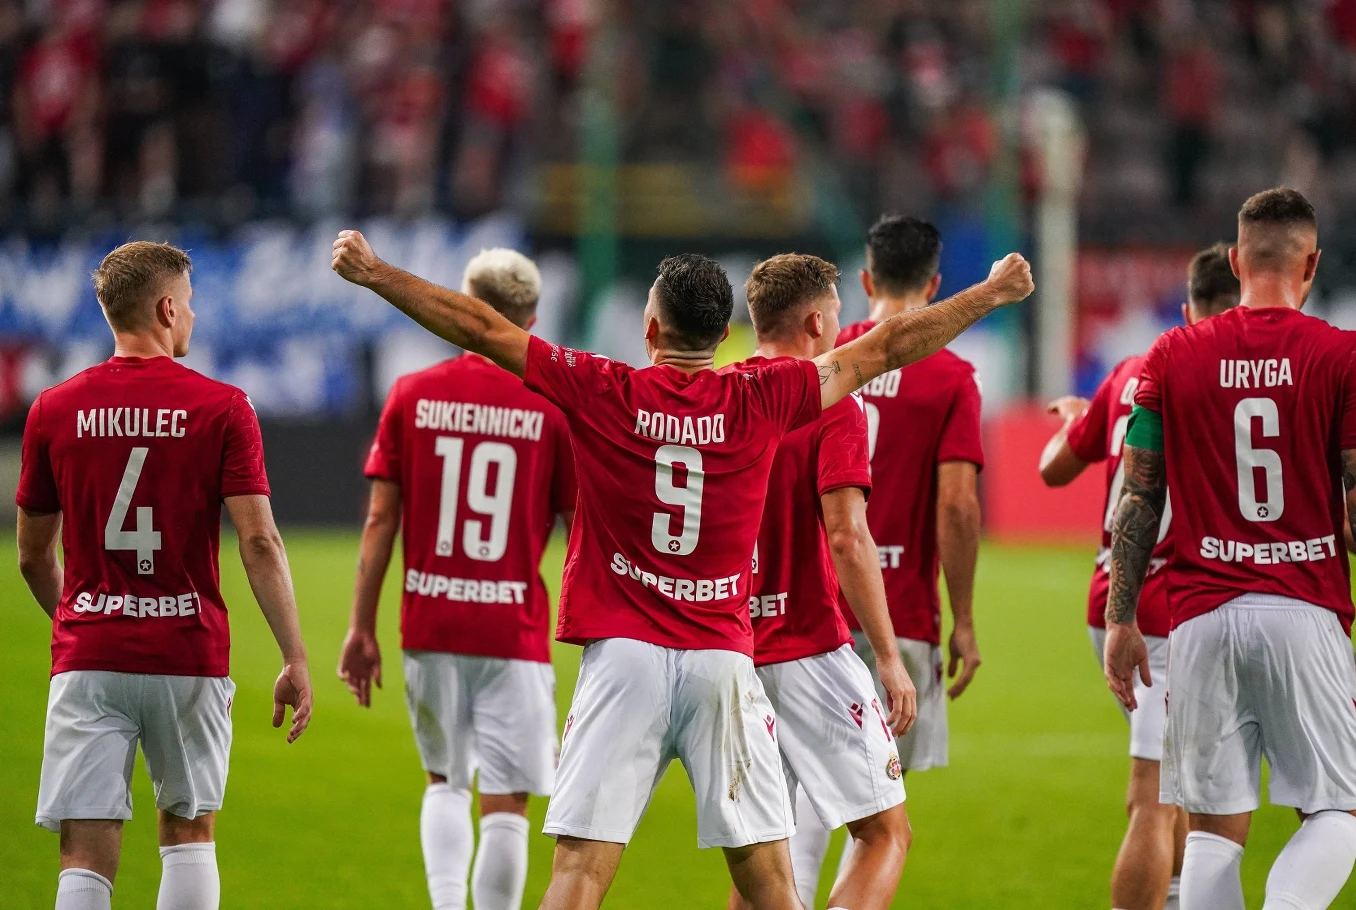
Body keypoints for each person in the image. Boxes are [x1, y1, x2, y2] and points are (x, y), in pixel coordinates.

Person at [331, 228, 1033, 910]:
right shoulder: (764, 399)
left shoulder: (602, 389)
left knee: (578, 876)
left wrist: (378, 273)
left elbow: (482, 331)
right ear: (720, 331)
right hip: (721, 666)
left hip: (624, 661)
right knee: (771, 888)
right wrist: (993, 293)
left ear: (649, 330)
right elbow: (888, 346)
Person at [15, 241, 313, 910]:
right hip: (188, 654)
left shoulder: (53, 409)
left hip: (90, 654)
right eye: (192, 306)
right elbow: (259, 540)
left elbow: (33, 554)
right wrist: (293, 654)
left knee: (84, 853)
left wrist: (81, 621)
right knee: (188, 833)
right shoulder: (222, 407)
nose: (195, 319)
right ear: (167, 307)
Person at [1106, 188, 1356, 910]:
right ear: (1310, 263)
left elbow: (1140, 498)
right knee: (1343, 809)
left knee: (1214, 835)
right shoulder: (1345, 355)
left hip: (1198, 623)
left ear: (1234, 259)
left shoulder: (1171, 353)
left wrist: (1123, 619)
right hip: (1302, 611)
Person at [337, 249, 576, 910]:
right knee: (507, 799)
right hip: (513, 627)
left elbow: (380, 520)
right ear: (529, 318)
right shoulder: (551, 405)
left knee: (444, 780)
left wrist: (361, 626)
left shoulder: (412, 394)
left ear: (460, 306)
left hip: (430, 621)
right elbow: (578, 526)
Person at [1039, 242, 1240, 910]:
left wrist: (1077, 421)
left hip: (1110, 602)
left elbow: (1053, 470)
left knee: (1178, 777)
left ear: (1186, 308)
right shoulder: (1239, 376)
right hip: (1172, 614)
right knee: (1153, 796)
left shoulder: (1132, 371)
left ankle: (1180, 896)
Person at [723, 254, 915, 910]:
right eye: (835, 313)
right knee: (885, 832)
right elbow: (846, 535)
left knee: (761, 863)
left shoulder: (723, 397)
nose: (842, 325)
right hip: (805, 648)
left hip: (729, 653)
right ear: (813, 320)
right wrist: (888, 658)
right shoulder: (832, 402)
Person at [834, 215, 984, 776]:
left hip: (813, 610)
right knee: (879, 813)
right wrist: (963, 618)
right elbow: (957, 506)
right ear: (935, 285)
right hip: (902, 616)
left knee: (803, 797)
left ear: (867, 282)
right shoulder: (950, 377)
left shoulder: (824, 364)